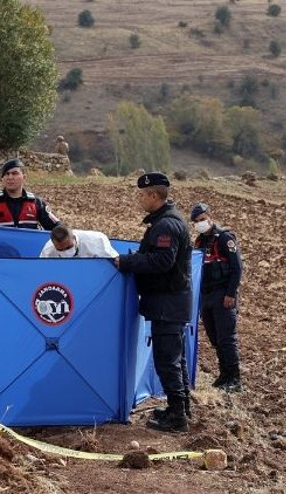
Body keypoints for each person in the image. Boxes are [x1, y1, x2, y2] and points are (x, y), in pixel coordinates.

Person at [113, 172, 192, 433]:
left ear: (153, 195)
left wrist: (127, 262)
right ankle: (180, 408)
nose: (139, 199)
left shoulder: (166, 225)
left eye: (142, 194)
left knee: (167, 360)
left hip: (167, 302)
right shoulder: (166, 221)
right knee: (174, 358)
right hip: (170, 301)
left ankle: (178, 416)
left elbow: (162, 262)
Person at [191, 202, 244, 392]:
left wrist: (230, 294)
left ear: (210, 218)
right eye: (197, 222)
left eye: (203, 219)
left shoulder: (224, 238)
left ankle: (234, 378)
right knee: (215, 338)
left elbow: (237, 268)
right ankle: (224, 375)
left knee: (226, 338)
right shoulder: (198, 243)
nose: (200, 223)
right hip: (206, 296)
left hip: (223, 296)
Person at [40, 224, 119, 258]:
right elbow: (42, 271)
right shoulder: (48, 251)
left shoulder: (96, 241)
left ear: (74, 237)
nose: (66, 252)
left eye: (69, 247)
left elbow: (113, 263)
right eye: (60, 249)